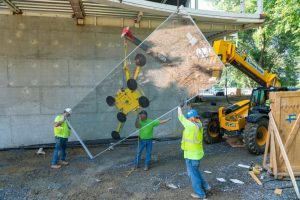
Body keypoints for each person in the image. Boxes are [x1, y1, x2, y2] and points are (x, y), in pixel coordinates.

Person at [178, 106, 211, 199]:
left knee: (193, 176)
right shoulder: (198, 123)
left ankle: (200, 194)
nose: (188, 119)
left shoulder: (191, 126)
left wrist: (179, 108)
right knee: (195, 173)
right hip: (194, 154)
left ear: (192, 118)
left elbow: (181, 118)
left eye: (189, 118)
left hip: (191, 155)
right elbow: (189, 119)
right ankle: (206, 186)